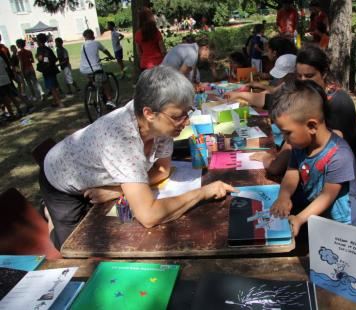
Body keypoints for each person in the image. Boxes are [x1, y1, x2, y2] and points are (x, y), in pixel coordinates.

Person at [40, 65, 237, 249]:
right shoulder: (122, 139)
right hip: (62, 181)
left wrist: (117, 190)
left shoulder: (162, 124)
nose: (186, 122)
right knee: (74, 247)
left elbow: (162, 170)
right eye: (178, 116)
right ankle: (49, 218)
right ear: (149, 113)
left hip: (98, 174)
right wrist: (204, 192)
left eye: (188, 112)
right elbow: (149, 216)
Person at [226, 46, 356, 176]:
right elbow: (269, 99)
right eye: (299, 76)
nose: (303, 81)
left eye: (309, 76)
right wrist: (241, 95)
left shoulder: (339, 104)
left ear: (324, 73)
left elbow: (289, 153)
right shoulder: (306, 94)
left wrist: (271, 161)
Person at [269, 80, 356, 236]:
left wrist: (300, 219)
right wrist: (284, 196)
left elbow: (326, 196)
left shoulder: (339, 155)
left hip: (344, 225)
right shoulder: (301, 146)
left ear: (311, 126)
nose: (285, 140)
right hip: (320, 217)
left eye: (288, 133)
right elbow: (292, 172)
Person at [79, 29, 115, 109]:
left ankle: (94, 88)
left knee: (94, 81)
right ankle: (110, 100)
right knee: (105, 82)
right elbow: (105, 51)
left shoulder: (83, 45)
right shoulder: (96, 43)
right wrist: (110, 56)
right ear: (92, 35)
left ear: (85, 37)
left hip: (84, 69)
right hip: (95, 69)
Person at [35, 33, 62, 108]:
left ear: (39, 41)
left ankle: (59, 103)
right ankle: (55, 101)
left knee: (52, 87)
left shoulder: (40, 49)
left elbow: (40, 59)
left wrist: (37, 56)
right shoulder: (48, 48)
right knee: (55, 86)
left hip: (47, 70)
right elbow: (54, 58)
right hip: (52, 69)